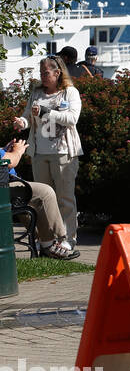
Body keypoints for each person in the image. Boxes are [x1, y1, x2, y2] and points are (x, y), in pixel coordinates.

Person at [13, 56, 82, 247]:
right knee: (42, 200)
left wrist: (46, 112)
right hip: (39, 153)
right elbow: (28, 115)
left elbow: (72, 118)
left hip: (63, 152)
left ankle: (68, 239)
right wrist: (22, 122)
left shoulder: (70, 93)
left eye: (46, 72)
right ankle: (47, 239)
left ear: (57, 73)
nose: (42, 76)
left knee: (64, 198)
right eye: (41, 72)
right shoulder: (36, 92)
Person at [2, 137, 78, 259]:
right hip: (3, 187)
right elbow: (8, 162)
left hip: (6, 185)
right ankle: (51, 244)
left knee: (33, 197)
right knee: (45, 192)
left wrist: (4, 150)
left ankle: (47, 243)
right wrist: (17, 152)